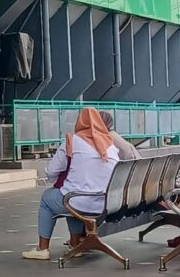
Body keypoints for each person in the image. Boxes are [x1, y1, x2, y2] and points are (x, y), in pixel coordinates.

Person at [22, 108, 119, 260]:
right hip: (105, 203)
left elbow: (51, 171)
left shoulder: (72, 141)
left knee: (49, 198)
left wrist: (55, 179)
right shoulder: (110, 145)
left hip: (78, 200)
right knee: (72, 194)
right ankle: (75, 244)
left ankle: (42, 248)